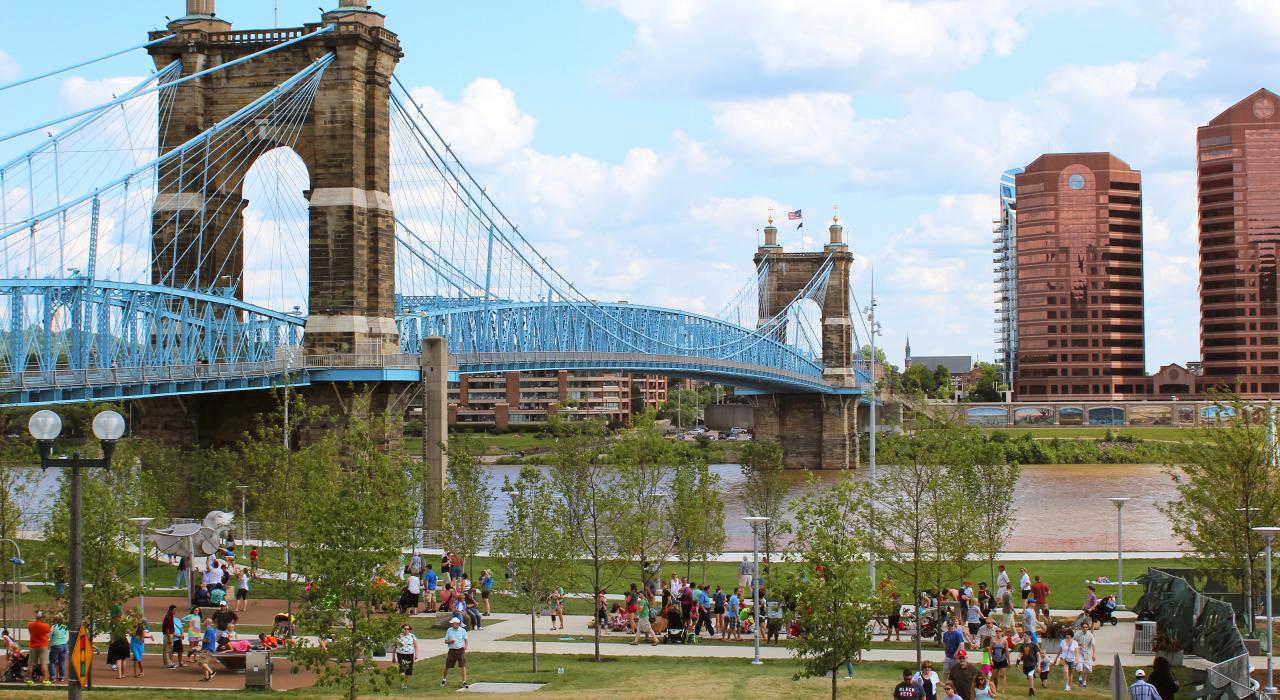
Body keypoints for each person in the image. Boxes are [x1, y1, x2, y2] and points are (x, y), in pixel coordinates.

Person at [441, 616, 469, 689]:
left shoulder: (462, 630)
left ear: (457, 624)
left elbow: (466, 639)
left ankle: (464, 681)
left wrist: (466, 646)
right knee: (447, 666)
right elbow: (445, 641)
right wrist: (450, 641)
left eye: (453, 623)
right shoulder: (449, 630)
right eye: (451, 623)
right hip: (452, 650)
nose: (452, 624)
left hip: (460, 650)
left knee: (463, 665)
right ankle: (444, 679)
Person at [27, 610, 51, 685]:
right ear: (42, 618)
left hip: (33, 646)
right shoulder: (45, 625)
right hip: (43, 646)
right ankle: (45, 680)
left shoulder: (30, 625)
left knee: (31, 664)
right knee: (44, 664)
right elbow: (49, 631)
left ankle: (29, 680)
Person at [395, 623, 418, 690]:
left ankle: (405, 684)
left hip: (410, 654)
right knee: (402, 669)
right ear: (402, 629)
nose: (406, 630)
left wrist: (416, 655)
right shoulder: (398, 636)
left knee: (408, 670)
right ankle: (402, 682)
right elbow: (395, 646)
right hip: (401, 654)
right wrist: (393, 656)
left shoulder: (412, 636)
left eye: (408, 629)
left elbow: (416, 646)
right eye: (405, 629)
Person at [48, 616, 68, 683]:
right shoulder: (64, 627)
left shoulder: (53, 627)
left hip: (55, 645)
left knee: (52, 662)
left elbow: (49, 636)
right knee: (62, 662)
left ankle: (53, 677)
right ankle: (62, 677)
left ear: (55, 621)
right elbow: (66, 636)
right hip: (64, 645)